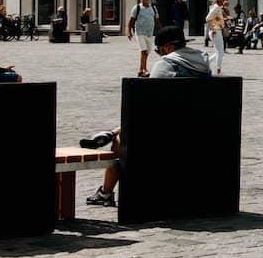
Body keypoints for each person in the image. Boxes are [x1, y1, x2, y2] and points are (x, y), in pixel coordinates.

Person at [82, 26, 212, 209]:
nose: (158, 55)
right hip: (201, 127)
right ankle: (112, 132)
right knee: (129, 128)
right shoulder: (204, 64)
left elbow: (148, 106)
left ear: (167, 47)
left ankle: (105, 192)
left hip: (167, 132)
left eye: (158, 51)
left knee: (121, 141)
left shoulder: (167, 65)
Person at [125, 0, 157, 78]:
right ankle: (145, 69)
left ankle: (140, 70)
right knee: (143, 51)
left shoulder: (153, 8)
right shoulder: (137, 8)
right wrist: (129, 31)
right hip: (140, 32)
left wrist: (162, 31)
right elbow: (131, 20)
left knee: (147, 52)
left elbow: (157, 20)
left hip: (150, 33)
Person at [204, 0, 229, 76]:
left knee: (219, 52)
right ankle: (218, 70)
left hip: (217, 31)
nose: (224, 0)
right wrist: (213, 27)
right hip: (216, 31)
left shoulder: (217, 7)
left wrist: (223, 19)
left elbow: (216, 18)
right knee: (220, 52)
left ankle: (206, 63)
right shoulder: (216, 7)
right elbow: (208, 18)